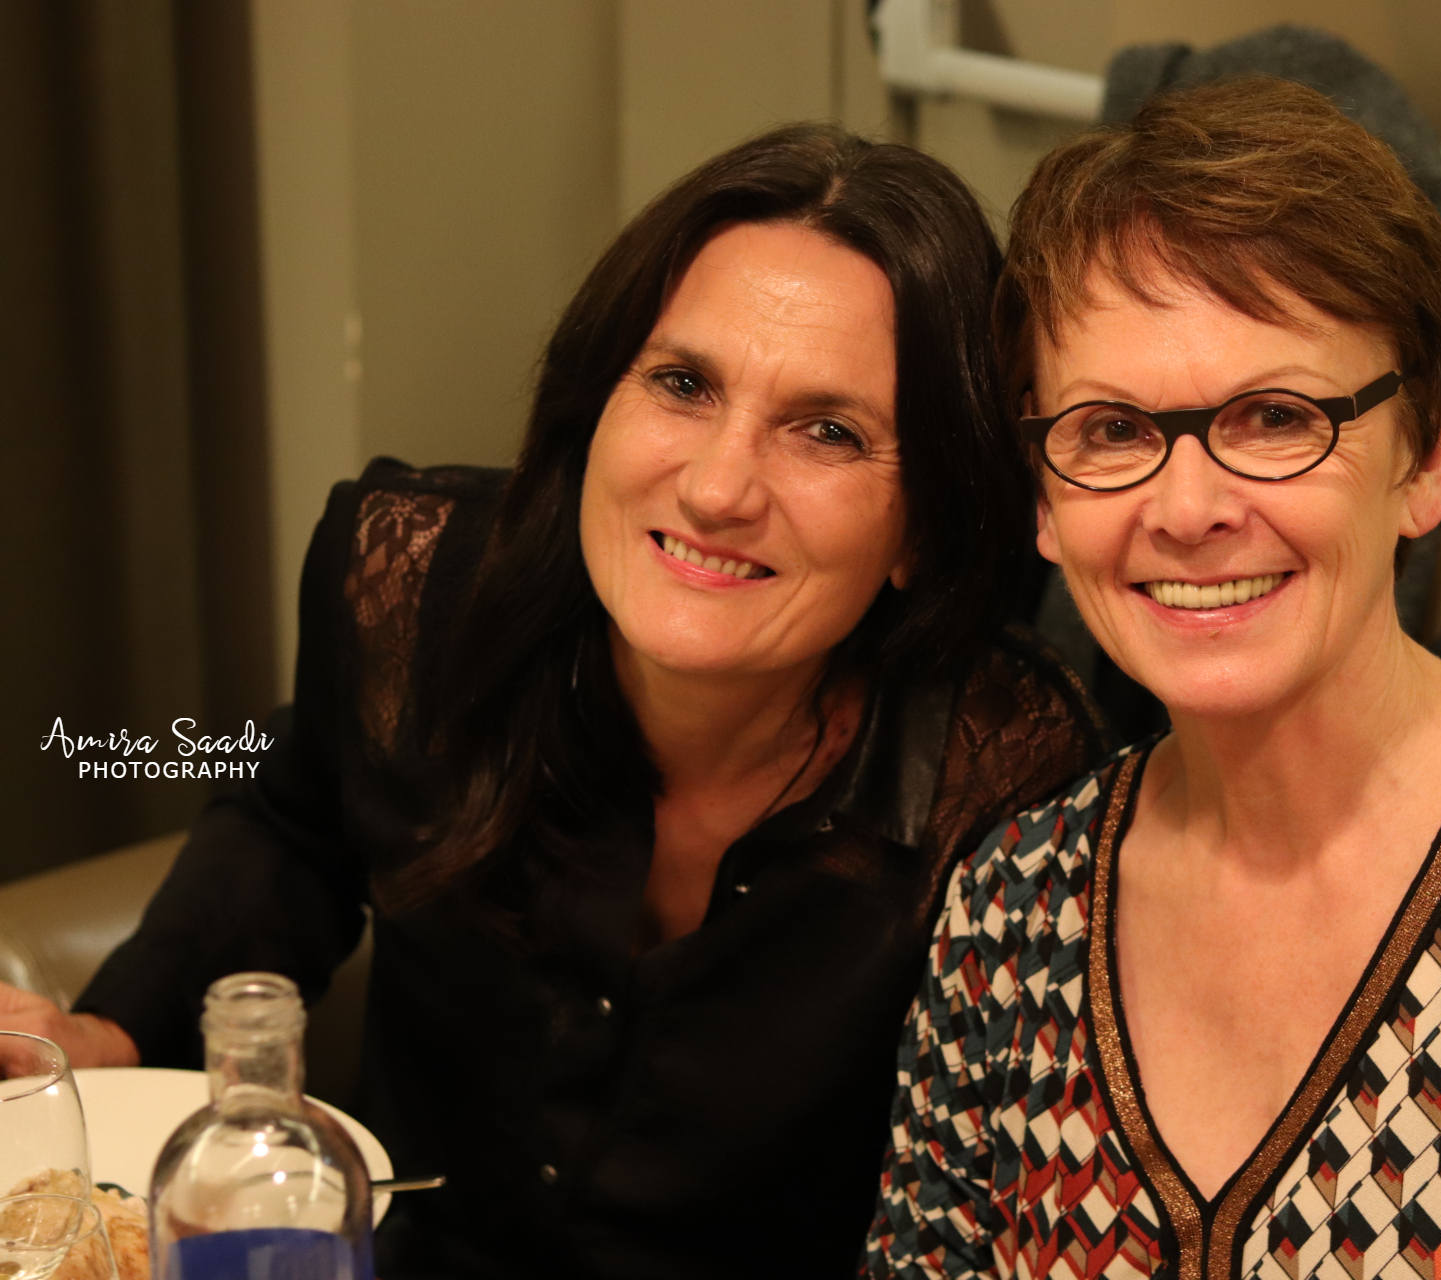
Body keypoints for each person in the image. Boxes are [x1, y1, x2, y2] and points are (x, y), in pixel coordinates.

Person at [0, 125, 1106, 1278]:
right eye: (683, 384)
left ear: (926, 523)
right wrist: (116, 1025)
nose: (719, 487)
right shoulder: (410, 585)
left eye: (828, 431)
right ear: (595, 408)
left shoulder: (1010, 775)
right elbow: (295, 821)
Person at [866, 79, 1441, 1280]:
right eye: (1111, 429)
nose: (1188, 508)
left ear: (1426, 457)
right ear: (1045, 500)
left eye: (1274, 416)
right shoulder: (1009, 909)